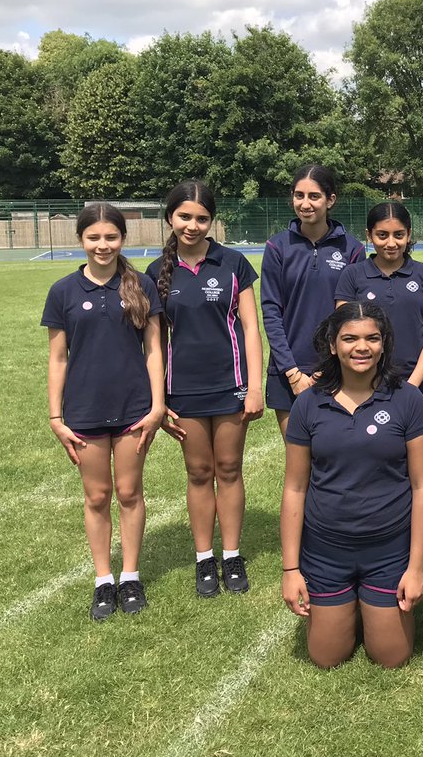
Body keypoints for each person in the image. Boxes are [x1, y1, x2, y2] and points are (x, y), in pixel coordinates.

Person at [280, 302, 423, 668]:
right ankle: (346, 602)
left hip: (388, 549)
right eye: (350, 338)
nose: (361, 347)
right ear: (333, 345)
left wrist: (415, 567)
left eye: (372, 338)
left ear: (384, 344)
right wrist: (290, 570)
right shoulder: (308, 404)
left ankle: (372, 605)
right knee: (326, 657)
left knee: (391, 657)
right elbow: (295, 488)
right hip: (326, 550)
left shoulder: (408, 400)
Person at [42, 203, 168, 621]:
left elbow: (154, 351)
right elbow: (58, 358)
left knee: (130, 493)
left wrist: (157, 406)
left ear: (123, 239)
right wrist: (56, 417)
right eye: (93, 238)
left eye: (110, 237)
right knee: (96, 496)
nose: (102, 245)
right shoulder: (63, 291)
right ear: (81, 240)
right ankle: (103, 581)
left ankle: (130, 576)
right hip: (84, 410)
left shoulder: (140, 286)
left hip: (134, 409)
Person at [148, 181, 263, 598]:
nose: (193, 225)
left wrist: (253, 387)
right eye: (184, 217)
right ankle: (204, 559)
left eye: (201, 218)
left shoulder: (233, 263)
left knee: (229, 469)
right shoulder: (156, 272)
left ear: (211, 220)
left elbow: (251, 328)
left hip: (230, 385)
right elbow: (154, 344)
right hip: (184, 391)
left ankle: (231, 554)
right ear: (170, 218)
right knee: (198, 472)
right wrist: (158, 401)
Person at [261, 165, 365, 441]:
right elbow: (271, 312)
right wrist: (293, 374)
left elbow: (351, 317)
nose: (305, 204)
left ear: (331, 200)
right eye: (299, 195)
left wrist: (326, 369)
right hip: (287, 371)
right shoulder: (276, 248)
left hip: (338, 369)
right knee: (298, 464)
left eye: (314, 196)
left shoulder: (353, 250)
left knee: (334, 459)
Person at [334, 202, 423, 399]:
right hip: (365, 387)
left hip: (417, 387)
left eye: (399, 235)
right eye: (382, 235)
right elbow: (345, 334)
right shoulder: (352, 275)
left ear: (408, 234)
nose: (391, 243)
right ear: (369, 235)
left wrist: (412, 386)